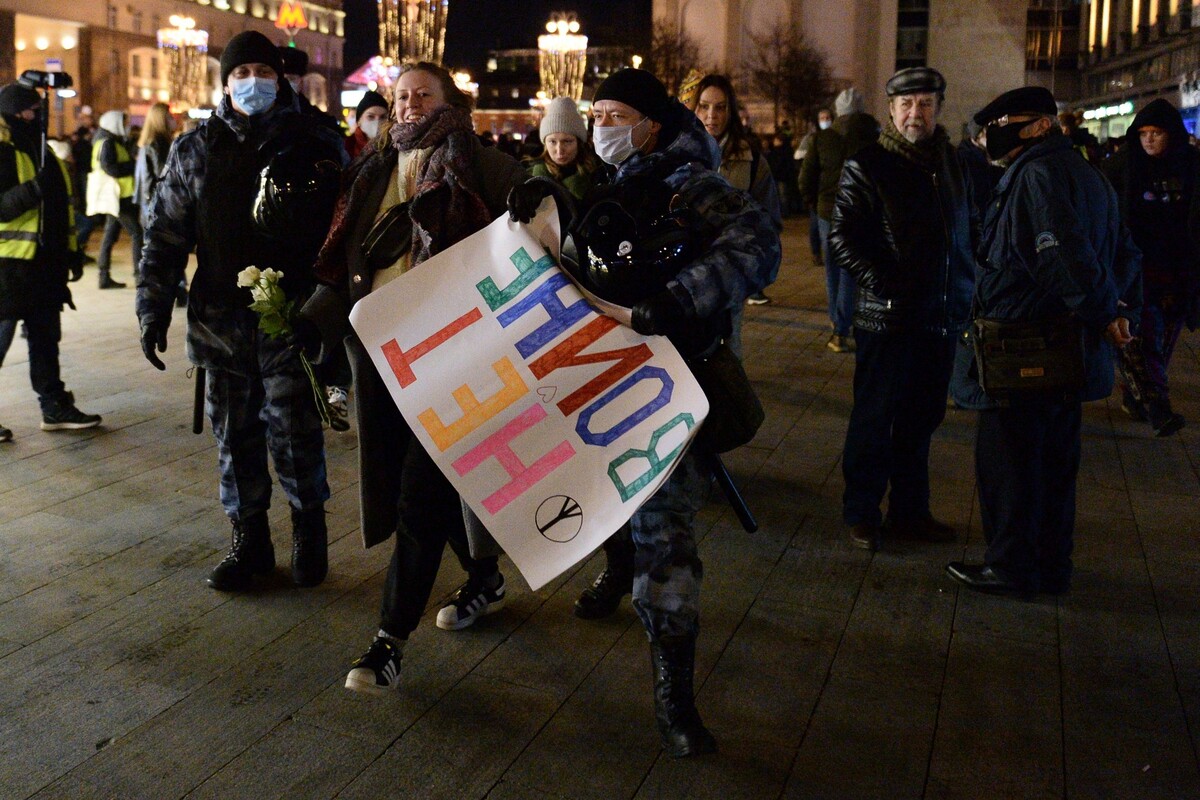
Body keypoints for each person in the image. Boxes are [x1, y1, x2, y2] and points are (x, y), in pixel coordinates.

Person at [509, 67, 780, 758]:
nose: (601, 126)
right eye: (594, 113)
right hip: (597, 384)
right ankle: (612, 568)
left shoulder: (692, 183)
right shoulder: (599, 185)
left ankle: (674, 694)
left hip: (666, 387)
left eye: (614, 113)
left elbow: (759, 246)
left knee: (667, 541)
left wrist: (681, 299)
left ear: (651, 124)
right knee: (609, 505)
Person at [294, 62, 524, 695]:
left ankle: (387, 643)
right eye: (402, 96)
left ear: (449, 100)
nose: (411, 104)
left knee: (419, 498)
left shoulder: (480, 167)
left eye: (425, 94)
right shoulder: (369, 174)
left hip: (456, 363)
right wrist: (309, 318)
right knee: (426, 485)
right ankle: (484, 579)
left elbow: (536, 221)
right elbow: (346, 264)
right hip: (384, 364)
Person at [136, 30, 344, 591]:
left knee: (294, 432)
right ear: (225, 83)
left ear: (282, 79)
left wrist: (328, 311)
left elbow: (343, 234)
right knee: (234, 436)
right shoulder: (195, 148)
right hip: (219, 319)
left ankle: (309, 530)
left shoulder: (319, 141)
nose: (253, 82)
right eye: (241, 73)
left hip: (291, 317)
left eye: (265, 72)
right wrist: (151, 307)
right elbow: (164, 234)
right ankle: (248, 538)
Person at [946, 86, 1141, 596]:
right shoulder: (1085, 171)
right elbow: (1123, 252)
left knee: (1011, 464)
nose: (989, 135)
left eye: (1000, 123)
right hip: (1064, 351)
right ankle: (1053, 565)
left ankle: (1011, 565)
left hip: (1025, 350)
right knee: (1054, 464)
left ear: (1036, 126)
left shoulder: (1037, 174)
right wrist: (1117, 309)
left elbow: (1062, 254)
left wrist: (1103, 311)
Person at [829, 67, 975, 552]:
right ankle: (862, 511)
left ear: (938, 108)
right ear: (891, 109)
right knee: (875, 418)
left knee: (922, 419)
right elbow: (842, 237)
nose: (916, 113)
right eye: (907, 104)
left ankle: (912, 512)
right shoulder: (868, 163)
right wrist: (884, 282)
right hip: (886, 318)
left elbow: (965, 233)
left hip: (939, 316)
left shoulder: (951, 162)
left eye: (926, 103)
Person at [0, 81, 101, 440]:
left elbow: (64, 211)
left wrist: (72, 253)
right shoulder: (4, 150)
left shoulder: (46, 152)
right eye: (31, 110)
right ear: (15, 113)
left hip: (45, 266)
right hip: (8, 266)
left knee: (45, 340)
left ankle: (54, 406)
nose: (37, 115)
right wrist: (33, 190)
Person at [1103, 99, 1197, 437]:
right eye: (1143, 134)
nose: (1149, 140)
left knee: (1165, 341)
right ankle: (1157, 404)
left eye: (1156, 133)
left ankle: (1136, 394)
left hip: (1178, 273)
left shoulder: (1190, 166)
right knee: (1143, 338)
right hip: (1137, 273)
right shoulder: (1123, 167)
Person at [691, 74, 782, 313]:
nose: (712, 115)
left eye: (720, 108)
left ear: (730, 112)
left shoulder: (751, 160)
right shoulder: (677, 156)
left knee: (727, 345)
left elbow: (769, 220)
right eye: (704, 106)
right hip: (684, 275)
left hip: (726, 277)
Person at [799, 106, 853, 352]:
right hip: (856, 213)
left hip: (828, 211)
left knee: (832, 266)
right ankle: (844, 321)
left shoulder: (822, 139)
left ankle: (838, 324)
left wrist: (813, 201)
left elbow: (806, 176)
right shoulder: (869, 137)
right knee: (850, 270)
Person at [87, 110, 142, 288]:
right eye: (123, 122)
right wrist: (133, 165)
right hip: (118, 198)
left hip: (117, 197)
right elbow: (111, 169)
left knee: (110, 235)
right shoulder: (108, 143)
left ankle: (104, 276)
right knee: (137, 233)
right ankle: (139, 275)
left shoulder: (108, 141)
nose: (126, 125)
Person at [527, 96, 603, 201]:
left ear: (579, 142)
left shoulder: (599, 176)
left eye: (567, 141)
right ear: (545, 144)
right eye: (552, 142)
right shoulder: (529, 178)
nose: (559, 150)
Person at [345, 90, 387, 161]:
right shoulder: (346, 147)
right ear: (359, 121)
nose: (377, 122)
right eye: (370, 116)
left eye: (382, 117)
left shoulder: (394, 146)